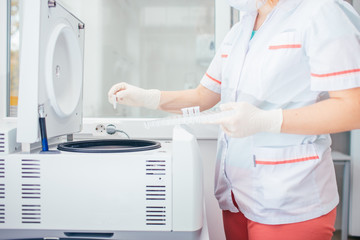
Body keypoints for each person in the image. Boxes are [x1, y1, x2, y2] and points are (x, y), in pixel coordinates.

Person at [108, 0, 360, 239]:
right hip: (236, 195)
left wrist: (266, 120)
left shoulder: (321, 11)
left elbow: (353, 108)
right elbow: (203, 96)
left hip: (289, 196)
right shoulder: (240, 30)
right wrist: (147, 98)